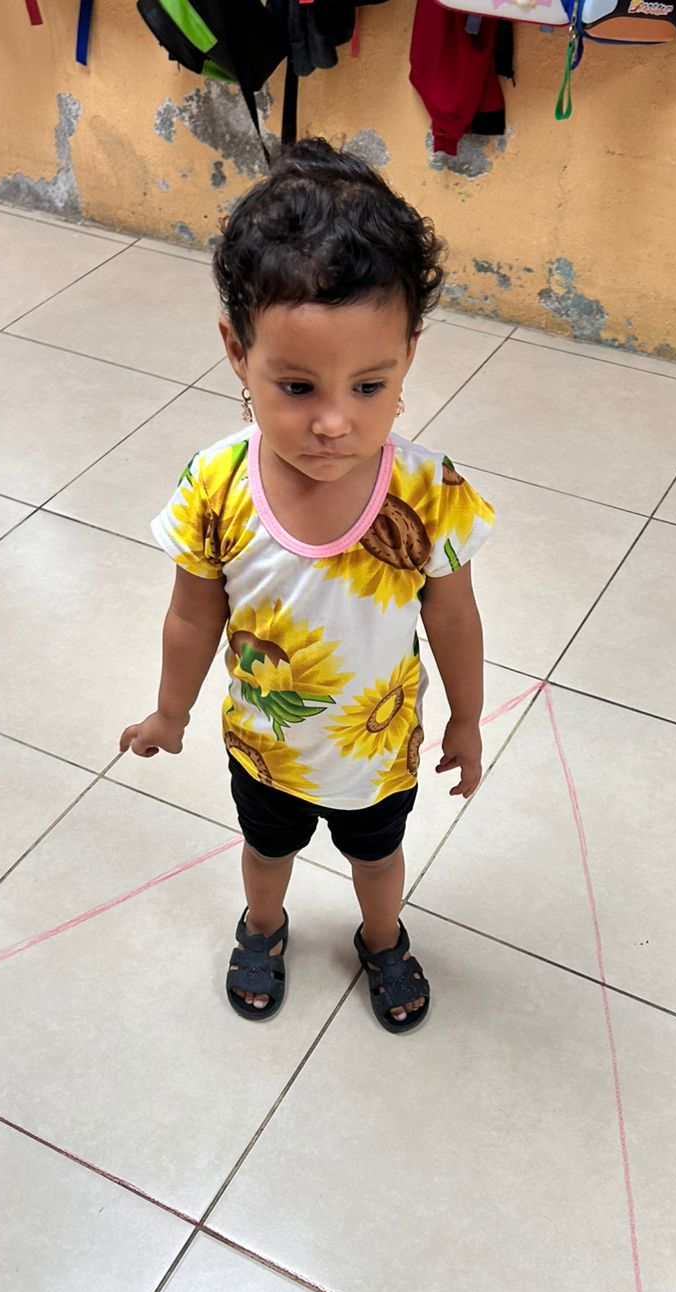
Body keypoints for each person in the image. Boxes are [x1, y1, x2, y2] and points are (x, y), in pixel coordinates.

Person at [120, 139, 494, 1033]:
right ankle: (263, 926)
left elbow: (454, 616)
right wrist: (169, 711)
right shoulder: (216, 485)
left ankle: (382, 938)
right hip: (266, 747)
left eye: (370, 386)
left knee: (379, 859)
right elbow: (191, 617)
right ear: (236, 350)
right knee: (265, 851)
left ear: (409, 353)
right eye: (295, 385)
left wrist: (468, 718)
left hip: (380, 748)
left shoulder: (428, 493)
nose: (333, 421)